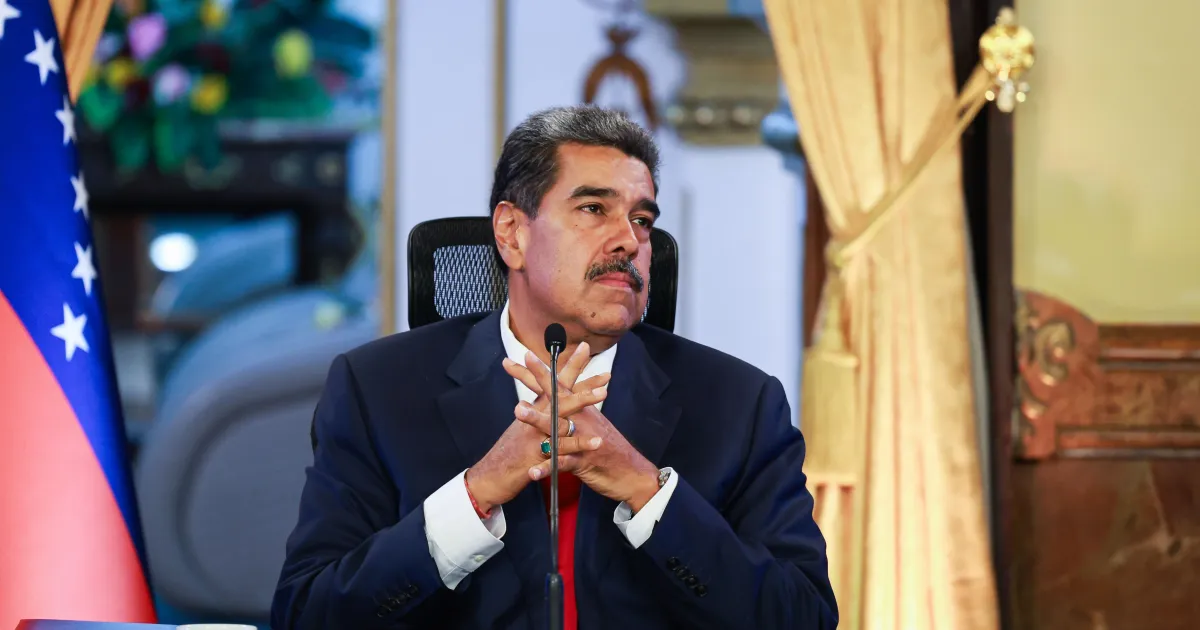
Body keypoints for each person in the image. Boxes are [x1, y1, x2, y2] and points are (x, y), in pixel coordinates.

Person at [271, 105, 837, 629]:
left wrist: (645, 490)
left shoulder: (740, 404)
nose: (629, 241)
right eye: (594, 209)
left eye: (642, 219)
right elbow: (308, 613)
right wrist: (478, 492)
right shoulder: (378, 390)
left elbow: (804, 618)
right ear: (512, 234)